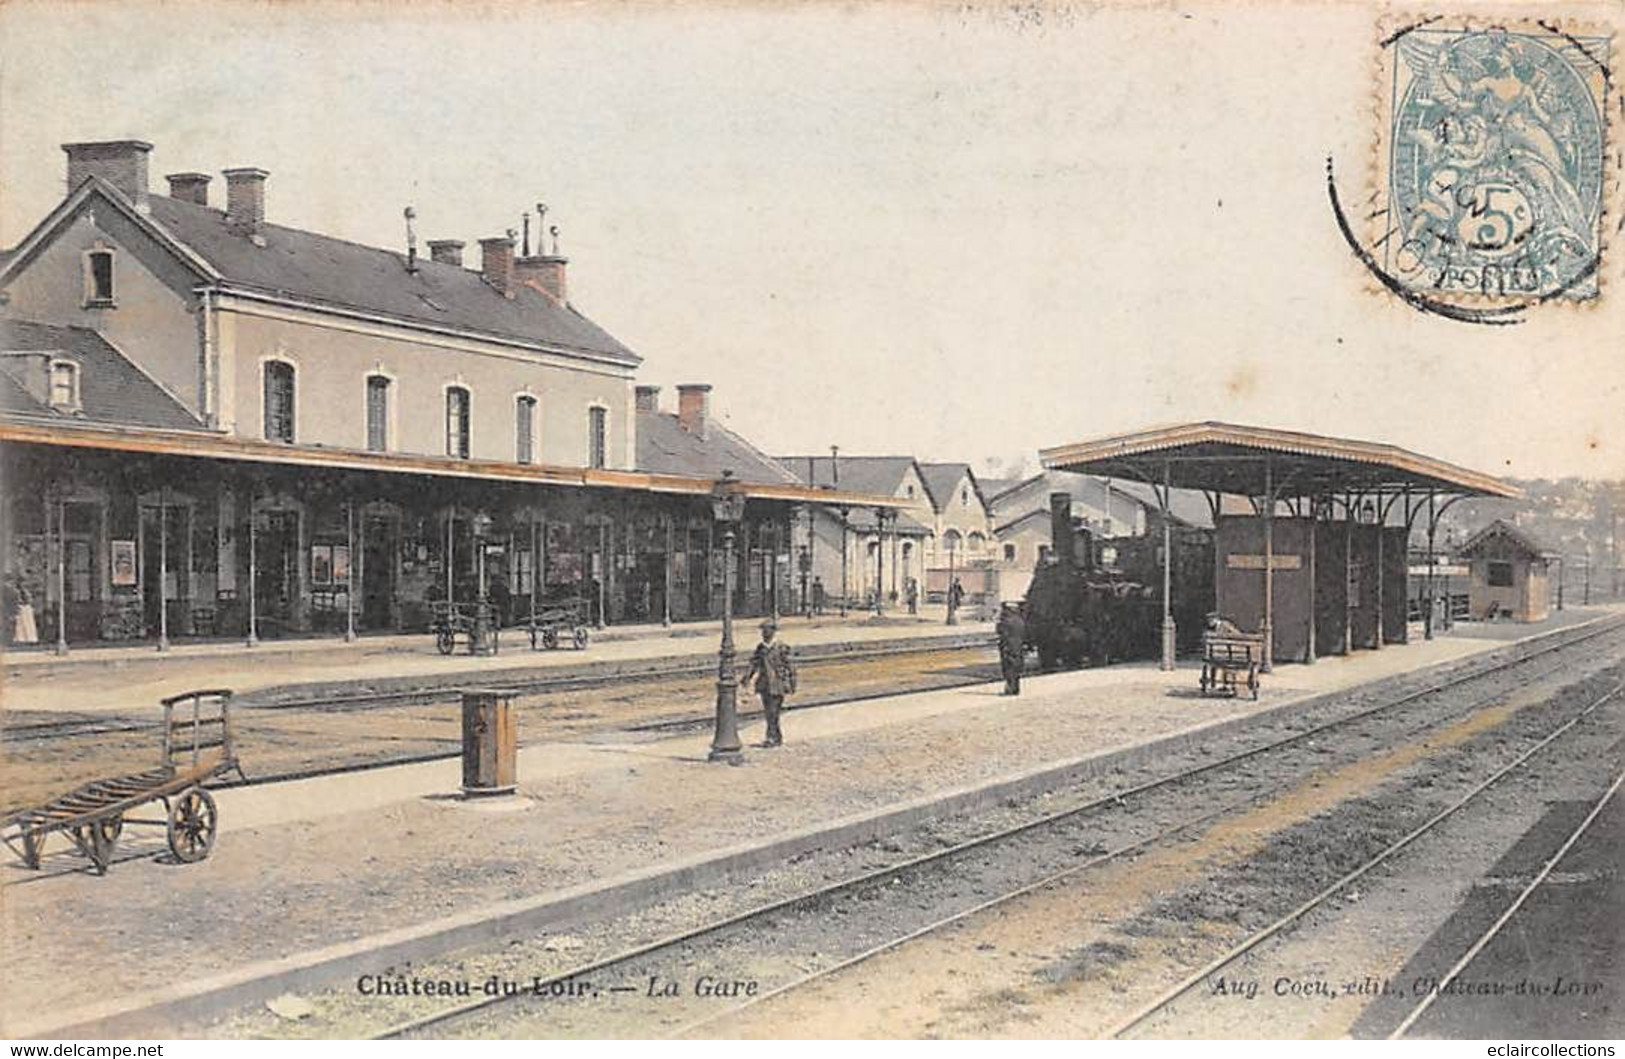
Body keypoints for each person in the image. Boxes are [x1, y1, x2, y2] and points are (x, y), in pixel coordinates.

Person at [745, 618, 797, 747]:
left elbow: (790, 666)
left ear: (773, 631)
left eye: (766, 630)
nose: (764, 633)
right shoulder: (761, 647)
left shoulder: (781, 647)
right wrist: (747, 677)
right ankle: (776, 737)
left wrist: (792, 683)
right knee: (769, 712)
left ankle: (772, 738)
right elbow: (754, 663)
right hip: (764, 684)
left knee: (773, 712)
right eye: (763, 630)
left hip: (778, 684)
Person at [996, 602, 1026, 695]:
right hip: (1018, 647)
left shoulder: (1006, 620)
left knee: (1008, 668)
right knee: (1016, 668)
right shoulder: (1019, 620)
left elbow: (999, 631)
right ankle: (1016, 688)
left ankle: (1009, 689)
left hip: (1008, 646)